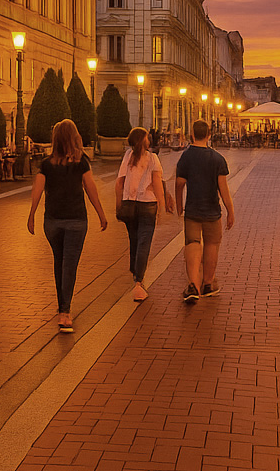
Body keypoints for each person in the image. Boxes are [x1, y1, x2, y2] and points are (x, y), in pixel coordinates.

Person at [26, 119, 107, 333]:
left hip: (51, 220)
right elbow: (91, 189)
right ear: (74, 137)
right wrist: (101, 214)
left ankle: (62, 306)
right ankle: (65, 312)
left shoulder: (46, 163)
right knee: (69, 265)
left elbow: (37, 190)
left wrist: (32, 214)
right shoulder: (82, 162)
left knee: (59, 262)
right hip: (76, 221)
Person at [173, 119, 235, 303]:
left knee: (192, 243)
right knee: (212, 245)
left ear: (192, 134)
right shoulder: (217, 159)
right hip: (212, 210)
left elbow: (179, 184)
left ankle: (193, 284)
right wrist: (230, 210)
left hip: (192, 209)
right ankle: (208, 283)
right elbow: (223, 189)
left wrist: (179, 204)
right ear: (209, 135)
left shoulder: (186, 157)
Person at [115, 127, 172, 302]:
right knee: (144, 243)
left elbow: (119, 182)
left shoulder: (128, 157)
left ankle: (135, 273)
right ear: (143, 140)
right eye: (147, 137)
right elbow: (156, 183)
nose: (149, 140)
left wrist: (119, 204)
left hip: (129, 204)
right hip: (147, 204)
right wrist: (161, 206)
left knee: (134, 240)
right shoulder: (152, 158)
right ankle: (138, 282)